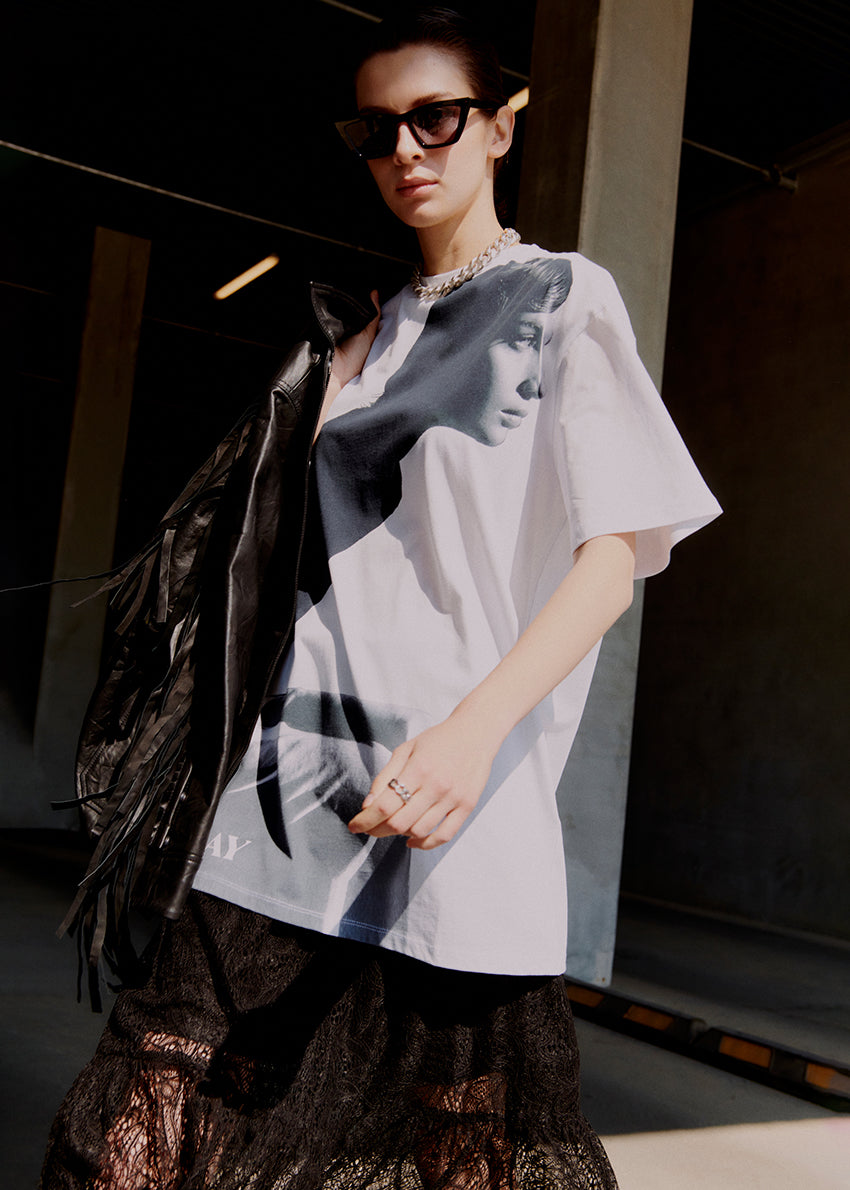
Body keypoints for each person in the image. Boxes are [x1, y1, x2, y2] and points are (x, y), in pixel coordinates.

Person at [41, 7, 721, 1190]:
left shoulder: (564, 298)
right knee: (136, 1141)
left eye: (436, 118)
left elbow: (614, 555)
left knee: (457, 1153)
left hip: (453, 808)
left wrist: (473, 730)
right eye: (377, 128)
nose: (406, 148)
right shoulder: (352, 341)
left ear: (500, 127)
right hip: (276, 800)